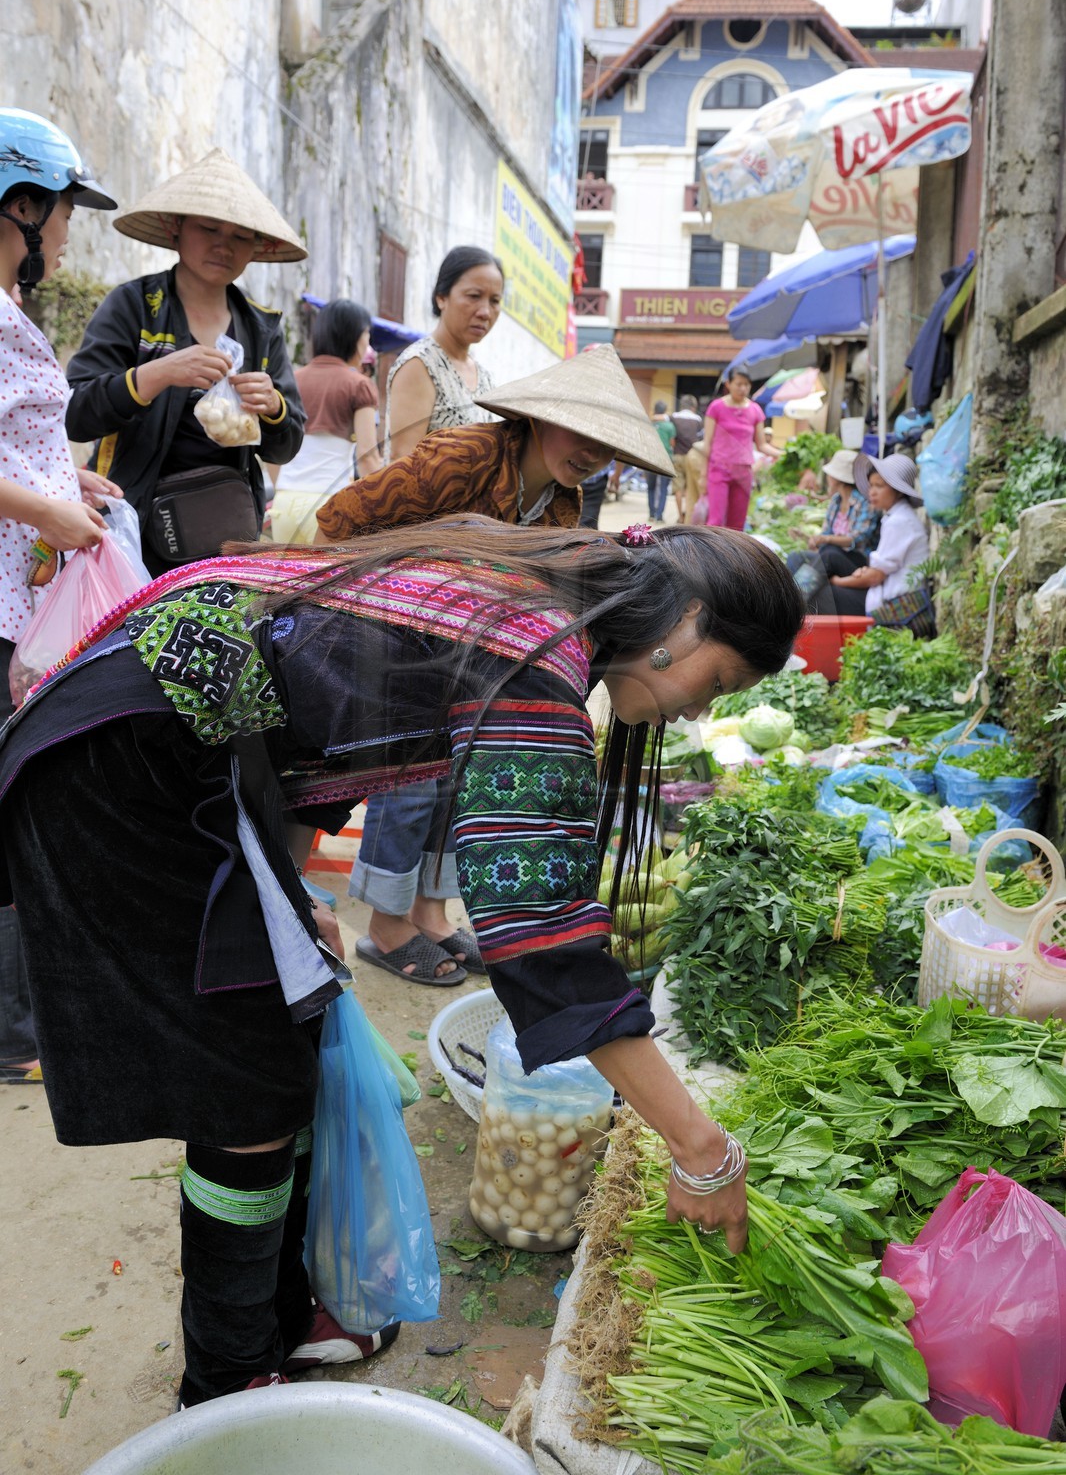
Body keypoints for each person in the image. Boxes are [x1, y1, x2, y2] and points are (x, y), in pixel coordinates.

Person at [0, 515, 805, 1405]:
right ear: (685, 621)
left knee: (280, 1045)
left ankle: (274, 1324)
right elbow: (540, 932)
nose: (699, 710)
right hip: (123, 766)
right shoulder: (538, 656)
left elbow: (314, 700)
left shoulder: (541, 604)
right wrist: (701, 1149)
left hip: (198, 747)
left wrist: (291, 881)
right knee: (244, 1081)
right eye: (717, 681)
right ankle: (228, 1381)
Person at [315, 345, 676, 985]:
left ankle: (429, 911)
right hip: (390, 627)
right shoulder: (463, 457)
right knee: (409, 779)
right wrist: (349, 621)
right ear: (538, 417)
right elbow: (338, 523)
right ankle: (385, 925)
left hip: (460, 646)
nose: (591, 453)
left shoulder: (563, 504)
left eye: (606, 443)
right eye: (580, 431)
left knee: (454, 773)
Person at [0, 108, 122, 1084]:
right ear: (22, 205)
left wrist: (67, 485)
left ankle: (18, 1015)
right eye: (66, 210)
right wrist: (48, 511)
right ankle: (9, 1028)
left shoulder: (11, 312)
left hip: (17, 601)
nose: (72, 229)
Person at [65, 148, 306, 575]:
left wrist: (273, 407)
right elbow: (76, 413)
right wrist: (153, 376)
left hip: (223, 536)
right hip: (130, 528)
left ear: (255, 247)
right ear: (176, 229)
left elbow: (286, 446)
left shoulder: (261, 329)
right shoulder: (135, 306)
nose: (222, 245)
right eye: (209, 228)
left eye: (240, 235)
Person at [270, 301, 381, 545]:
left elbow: (272, 449)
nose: (368, 345)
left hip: (284, 504)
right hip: (330, 504)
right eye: (366, 336)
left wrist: (284, 487)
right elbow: (367, 456)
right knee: (330, 583)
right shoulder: (359, 385)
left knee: (285, 581)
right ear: (352, 337)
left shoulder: (291, 380)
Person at [384, 246, 503, 461]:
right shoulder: (420, 365)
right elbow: (403, 464)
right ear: (442, 298)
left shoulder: (484, 377)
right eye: (474, 296)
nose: (485, 312)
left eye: (494, 301)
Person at [828, 452, 929, 615]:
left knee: (826, 594)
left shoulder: (899, 521)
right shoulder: (895, 516)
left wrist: (837, 581)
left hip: (894, 605)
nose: (872, 492)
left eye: (879, 486)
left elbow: (875, 577)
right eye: (871, 485)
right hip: (883, 594)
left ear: (898, 490)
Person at [785, 448, 881, 614]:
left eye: (830, 474)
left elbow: (857, 539)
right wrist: (813, 539)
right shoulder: (836, 501)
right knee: (796, 557)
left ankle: (793, 604)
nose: (828, 477)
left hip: (857, 562)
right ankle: (789, 595)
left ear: (839, 479)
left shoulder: (865, 503)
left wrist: (826, 540)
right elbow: (827, 532)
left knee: (829, 552)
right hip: (832, 557)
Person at [704, 366, 778, 531]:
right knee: (715, 521)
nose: (743, 388)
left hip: (744, 472)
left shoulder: (755, 410)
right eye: (739, 384)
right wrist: (704, 474)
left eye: (746, 384)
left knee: (737, 525)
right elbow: (707, 443)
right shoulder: (716, 407)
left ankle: (733, 557)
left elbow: (762, 445)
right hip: (719, 470)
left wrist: (782, 453)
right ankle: (709, 555)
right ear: (728, 384)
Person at [670, 394, 704, 521]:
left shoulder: (674, 417)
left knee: (678, 487)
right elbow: (701, 439)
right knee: (691, 489)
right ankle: (690, 518)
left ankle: (680, 517)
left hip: (677, 456)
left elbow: (671, 436)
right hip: (693, 458)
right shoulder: (698, 419)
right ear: (693, 407)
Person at [646, 402, 675, 522]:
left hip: (650, 458)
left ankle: (652, 514)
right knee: (663, 488)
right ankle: (659, 515)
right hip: (666, 459)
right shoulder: (670, 426)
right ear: (665, 410)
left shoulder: (649, 424)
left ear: (655, 410)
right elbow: (672, 443)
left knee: (651, 487)